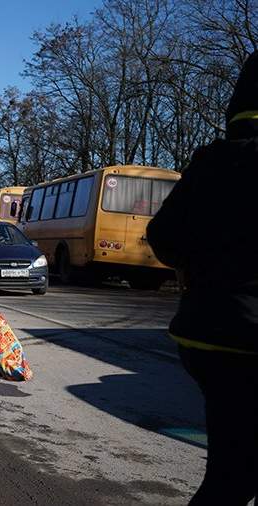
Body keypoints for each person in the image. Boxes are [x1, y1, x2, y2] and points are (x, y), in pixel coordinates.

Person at [147, 52, 258, 506]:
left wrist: (201, 267)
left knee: (228, 477)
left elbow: (163, 235)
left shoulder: (211, 160)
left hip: (209, 336)